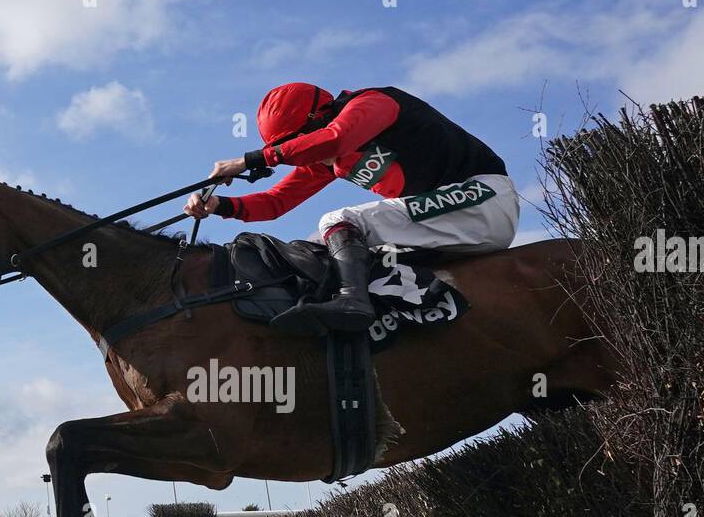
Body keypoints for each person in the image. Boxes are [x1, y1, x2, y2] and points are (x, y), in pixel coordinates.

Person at [184, 83, 518, 332]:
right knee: (313, 248)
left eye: (296, 141)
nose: (300, 153)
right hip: (445, 217)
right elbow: (276, 202)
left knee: (339, 219)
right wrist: (218, 205)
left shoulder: (374, 103)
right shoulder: (325, 160)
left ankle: (353, 303)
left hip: (482, 197)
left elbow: (337, 137)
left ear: (320, 116)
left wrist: (251, 159)